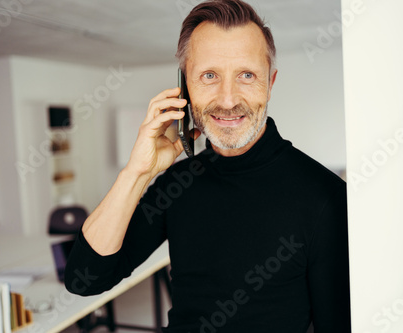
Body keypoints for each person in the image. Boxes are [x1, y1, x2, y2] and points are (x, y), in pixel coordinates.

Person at [64, 0, 351, 332]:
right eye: (209, 75)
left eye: (246, 75)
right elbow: (85, 279)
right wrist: (137, 172)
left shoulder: (324, 196)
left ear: (270, 83)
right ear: (186, 85)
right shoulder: (178, 182)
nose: (228, 100)